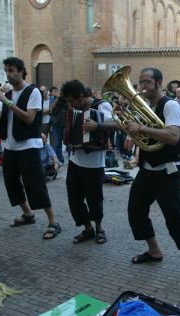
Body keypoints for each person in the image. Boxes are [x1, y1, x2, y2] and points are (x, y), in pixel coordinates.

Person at [125, 67, 180, 286]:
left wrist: (139, 128)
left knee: (173, 219)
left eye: (147, 82)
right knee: (135, 211)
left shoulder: (170, 105)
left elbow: (172, 135)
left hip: (167, 171)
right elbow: (139, 130)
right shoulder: (146, 105)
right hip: (147, 169)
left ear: (160, 82)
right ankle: (154, 251)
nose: (142, 87)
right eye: (141, 82)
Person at [0, 56, 61, 240]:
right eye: (6, 71)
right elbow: (0, 122)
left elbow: (29, 118)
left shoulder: (32, 91)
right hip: (10, 146)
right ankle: (28, 214)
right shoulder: (9, 95)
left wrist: (7, 102)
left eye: (11, 71)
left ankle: (53, 222)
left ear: (21, 71)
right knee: (11, 183)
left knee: (35, 185)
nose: (8, 75)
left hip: (28, 146)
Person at [61, 80, 117, 245]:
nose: (70, 105)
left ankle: (99, 228)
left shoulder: (102, 105)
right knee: (74, 199)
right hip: (75, 160)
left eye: (71, 101)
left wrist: (97, 125)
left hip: (94, 163)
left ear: (81, 96)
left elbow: (117, 124)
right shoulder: (74, 109)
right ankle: (87, 228)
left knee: (94, 199)